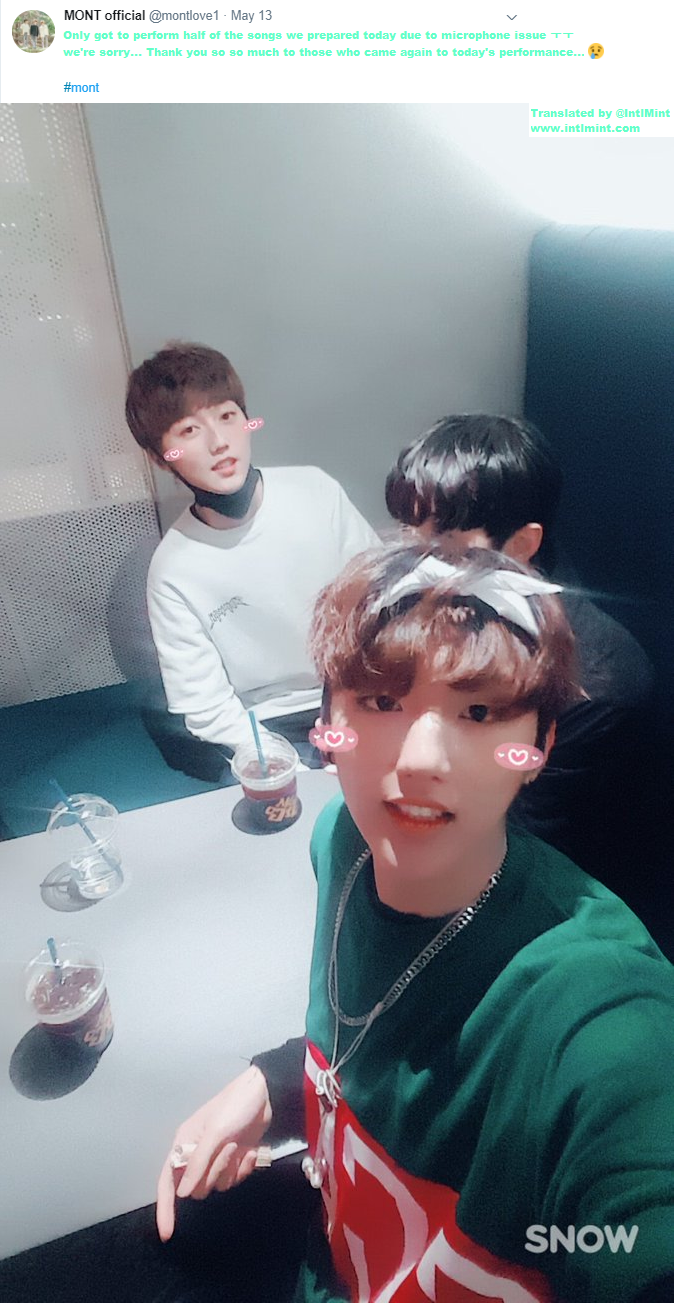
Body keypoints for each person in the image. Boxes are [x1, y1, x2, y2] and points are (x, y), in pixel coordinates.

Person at [156, 543, 674, 1303]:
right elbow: (382, 1027)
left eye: (478, 712)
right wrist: (277, 1081)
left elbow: (636, 1226)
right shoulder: (343, 842)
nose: (423, 758)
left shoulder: (603, 1013)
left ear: (539, 748)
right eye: (379, 701)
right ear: (325, 725)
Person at [384, 414, 654, 890]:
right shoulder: (431, 591)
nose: (416, 562)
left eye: (444, 544)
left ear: (522, 544)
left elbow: (523, 839)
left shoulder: (595, 681)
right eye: (409, 529)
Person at [126, 343, 380, 779]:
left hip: (358, 695)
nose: (218, 442)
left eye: (227, 417)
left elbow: (381, 602)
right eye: (189, 430)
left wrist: (365, 709)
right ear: (159, 457)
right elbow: (206, 706)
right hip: (265, 727)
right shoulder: (173, 571)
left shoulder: (316, 492)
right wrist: (284, 763)